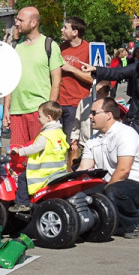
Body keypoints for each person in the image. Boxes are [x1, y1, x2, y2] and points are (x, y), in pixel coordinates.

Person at [77, 98, 139, 238]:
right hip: (112, 184)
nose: (90, 116)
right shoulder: (92, 140)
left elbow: (124, 170)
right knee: (82, 193)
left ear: (109, 115)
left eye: (94, 113)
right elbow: (83, 170)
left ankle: (134, 222)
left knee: (113, 192)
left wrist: (102, 195)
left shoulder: (126, 134)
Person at [4, 6, 64, 146]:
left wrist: (49, 110)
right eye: (16, 19)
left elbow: (57, 81)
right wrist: (6, 108)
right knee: (17, 159)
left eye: (20, 20)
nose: (16, 23)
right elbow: (9, 81)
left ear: (33, 23)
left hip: (39, 112)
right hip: (17, 111)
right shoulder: (14, 47)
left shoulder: (49, 45)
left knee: (40, 156)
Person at [9, 101, 68, 213]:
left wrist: (19, 151)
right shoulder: (60, 133)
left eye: (40, 116)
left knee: (22, 178)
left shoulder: (46, 135)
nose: (38, 119)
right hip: (58, 170)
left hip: (43, 172)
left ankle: (22, 203)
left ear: (49, 118)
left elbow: (34, 148)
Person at [58, 17, 92, 171]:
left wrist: (71, 69)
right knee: (58, 144)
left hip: (77, 104)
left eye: (65, 28)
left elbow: (93, 79)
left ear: (75, 32)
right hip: (58, 103)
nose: (62, 30)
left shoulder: (88, 49)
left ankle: (72, 178)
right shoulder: (60, 48)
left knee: (73, 144)